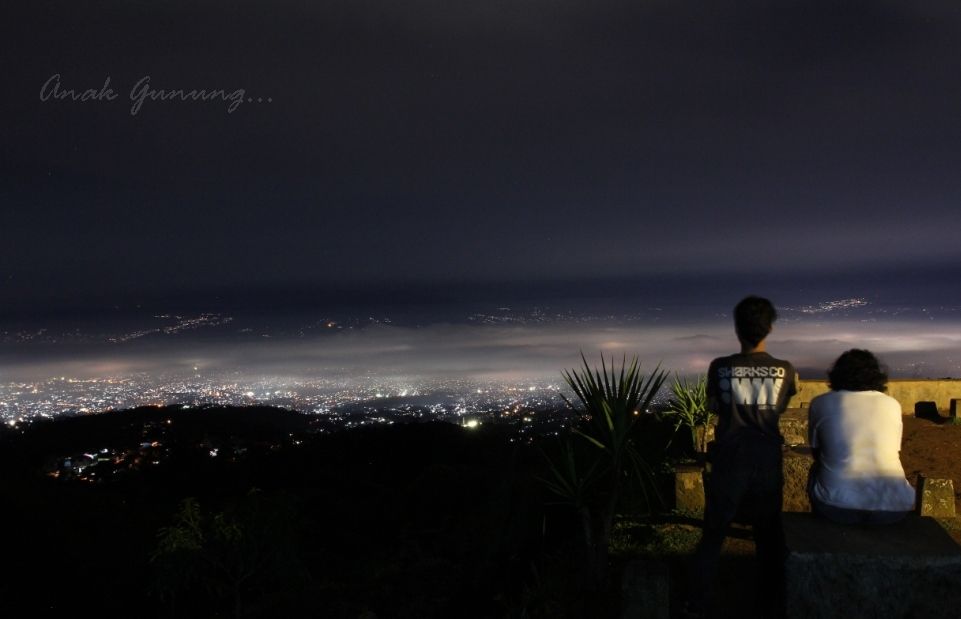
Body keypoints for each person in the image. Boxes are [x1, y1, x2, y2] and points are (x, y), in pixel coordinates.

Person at [686, 295, 798, 619]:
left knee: (714, 534)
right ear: (770, 328)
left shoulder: (720, 367)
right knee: (768, 537)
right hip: (766, 456)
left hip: (729, 457)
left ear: (737, 329)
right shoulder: (785, 370)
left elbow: (711, 406)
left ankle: (696, 602)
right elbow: (781, 407)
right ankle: (771, 604)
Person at [807, 349, 915, 525]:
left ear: (837, 374)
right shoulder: (892, 404)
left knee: (815, 470)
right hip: (894, 508)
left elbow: (817, 453)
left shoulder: (821, 403)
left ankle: (822, 533)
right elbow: (894, 450)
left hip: (837, 507)